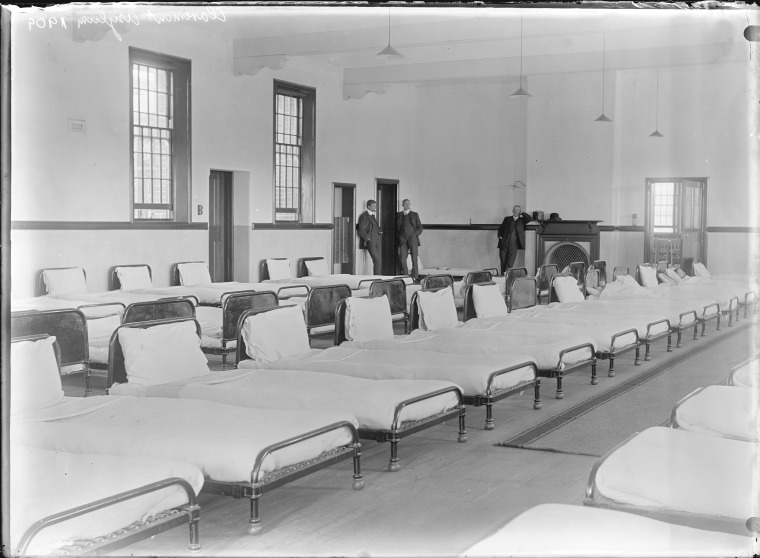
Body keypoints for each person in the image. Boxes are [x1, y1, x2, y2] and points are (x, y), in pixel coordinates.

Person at [497, 205, 532, 274]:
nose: (516, 211)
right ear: (512, 211)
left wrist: (522, 213)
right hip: (504, 242)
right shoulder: (507, 219)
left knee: (510, 263)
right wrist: (500, 236)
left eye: (518, 210)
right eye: (515, 210)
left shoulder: (522, 220)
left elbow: (530, 219)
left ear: (520, 211)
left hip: (514, 244)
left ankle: (506, 276)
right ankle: (502, 276)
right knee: (503, 261)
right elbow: (501, 228)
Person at [396, 199, 424, 281]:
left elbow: (420, 227)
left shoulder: (415, 214)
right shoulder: (398, 215)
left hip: (413, 238)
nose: (407, 205)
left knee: (414, 258)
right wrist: (399, 237)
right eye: (405, 204)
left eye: (408, 204)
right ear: (402, 205)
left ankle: (415, 277)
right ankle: (405, 277)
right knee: (402, 258)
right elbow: (395, 228)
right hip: (403, 239)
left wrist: (415, 235)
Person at [357, 199, 383, 274]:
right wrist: (368, 238)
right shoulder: (364, 216)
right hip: (371, 241)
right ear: (368, 206)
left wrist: (379, 232)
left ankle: (379, 278)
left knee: (379, 261)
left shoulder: (372, 215)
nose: (375, 207)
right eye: (373, 206)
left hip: (377, 240)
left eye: (375, 206)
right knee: (377, 260)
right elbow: (361, 230)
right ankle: (377, 279)